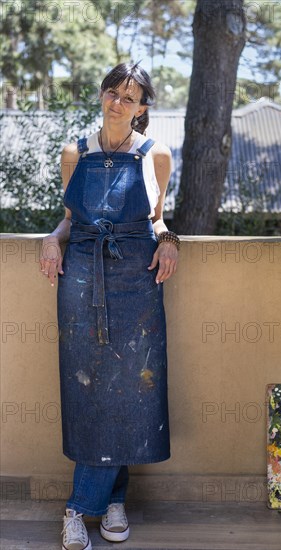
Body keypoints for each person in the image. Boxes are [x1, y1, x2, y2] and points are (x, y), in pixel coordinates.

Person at [39, 62, 179, 550]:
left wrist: (170, 240)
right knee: (88, 387)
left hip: (137, 277)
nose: (118, 102)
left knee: (129, 388)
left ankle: (82, 509)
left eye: (130, 97)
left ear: (142, 108)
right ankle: (110, 502)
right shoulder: (74, 150)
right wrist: (53, 241)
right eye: (112, 93)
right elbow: (69, 219)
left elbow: (159, 220)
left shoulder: (155, 153)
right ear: (102, 95)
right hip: (80, 274)